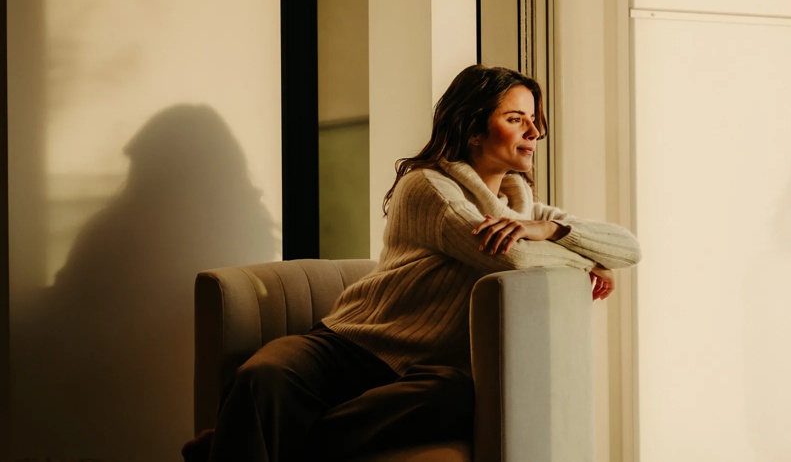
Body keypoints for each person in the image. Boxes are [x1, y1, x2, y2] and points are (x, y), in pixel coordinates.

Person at [183, 64, 642, 462]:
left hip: (423, 372)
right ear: (474, 129)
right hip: (348, 346)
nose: (534, 133)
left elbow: (628, 248)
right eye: (515, 119)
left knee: (459, 397)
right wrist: (581, 260)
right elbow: (516, 256)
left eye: (534, 121)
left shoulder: (522, 214)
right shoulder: (428, 187)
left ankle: (230, 446)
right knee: (262, 376)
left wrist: (554, 231)